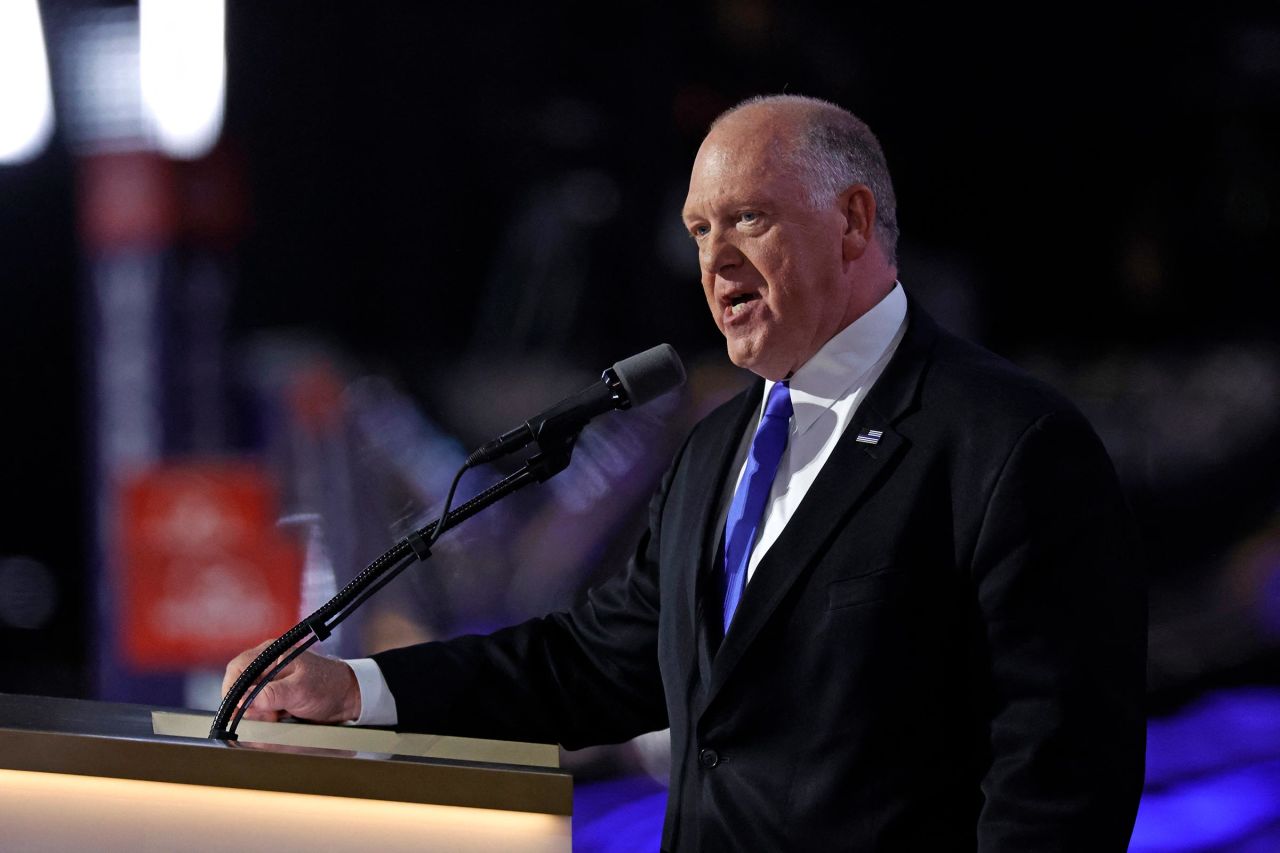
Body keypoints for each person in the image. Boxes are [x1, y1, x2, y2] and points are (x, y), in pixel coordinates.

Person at [225, 95, 1147, 851]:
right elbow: (596, 663)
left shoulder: (1006, 442)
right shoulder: (716, 450)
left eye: (749, 217)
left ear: (854, 221)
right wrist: (359, 689)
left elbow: (1061, 776)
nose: (716, 263)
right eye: (700, 231)